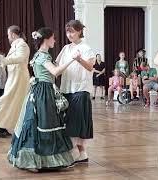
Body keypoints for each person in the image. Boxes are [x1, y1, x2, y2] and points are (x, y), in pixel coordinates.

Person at [8, 27, 75, 170]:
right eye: (53, 38)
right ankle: (37, 161)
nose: (55, 40)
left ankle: (42, 161)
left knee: (43, 123)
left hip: (41, 90)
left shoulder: (41, 55)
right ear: (47, 39)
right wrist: (72, 60)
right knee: (45, 123)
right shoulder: (43, 56)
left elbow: (52, 67)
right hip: (43, 92)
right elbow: (55, 72)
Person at [56, 20, 95, 165]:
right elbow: (57, 64)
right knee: (70, 122)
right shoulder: (66, 48)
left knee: (76, 123)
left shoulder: (86, 48)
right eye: (67, 31)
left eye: (72, 31)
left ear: (79, 31)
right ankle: (82, 154)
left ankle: (73, 154)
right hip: (66, 89)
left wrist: (79, 60)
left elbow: (90, 67)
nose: (69, 34)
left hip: (80, 89)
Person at [0, 25, 30, 138]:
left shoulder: (22, 45)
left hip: (19, 78)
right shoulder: (15, 46)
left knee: (13, 102)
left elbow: (20, 58)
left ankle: (14, 128)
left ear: (12, 34)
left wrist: (4, 60)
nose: (8, 37)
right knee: (9, 102)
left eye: (8, 35)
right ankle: (3, 128)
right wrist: (0, 62)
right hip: (14, 78)